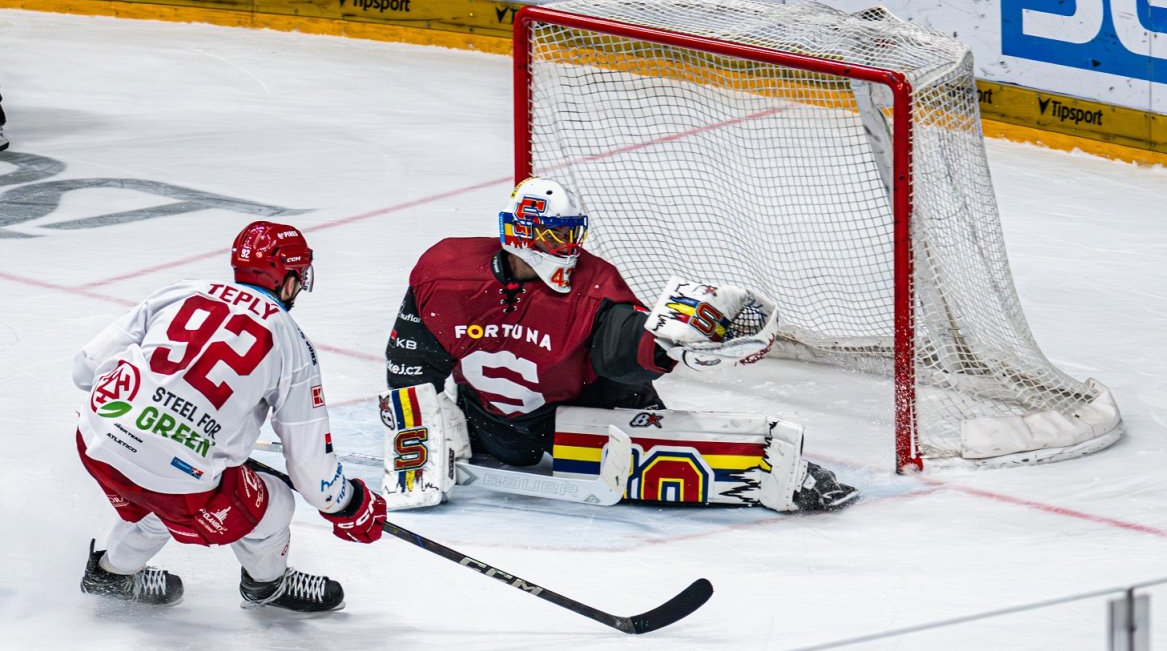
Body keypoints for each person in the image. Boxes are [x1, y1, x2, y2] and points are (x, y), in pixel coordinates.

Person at [384, 176, 858, 513]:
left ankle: (771, 473)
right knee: (467, 421)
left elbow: (623, 345)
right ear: (521, 235)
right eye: (555, 237)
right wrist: (422, 435)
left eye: (572, 236)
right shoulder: (447, 274)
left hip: (586, 410)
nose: (568, 249)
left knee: (651, 440)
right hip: (491, 425)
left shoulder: (592, 284)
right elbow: (411, 361)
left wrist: (667, 343)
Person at [73, 220, 387, 610]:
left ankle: (110, 575)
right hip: (179, 479)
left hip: (97, 439)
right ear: (287, 277)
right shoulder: (291, 342)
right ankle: (267, 585)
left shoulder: (182, 290)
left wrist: (151, 411)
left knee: (159, 495)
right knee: (275, 503)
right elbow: (310, 472)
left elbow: (84, 370)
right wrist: (348, 503)